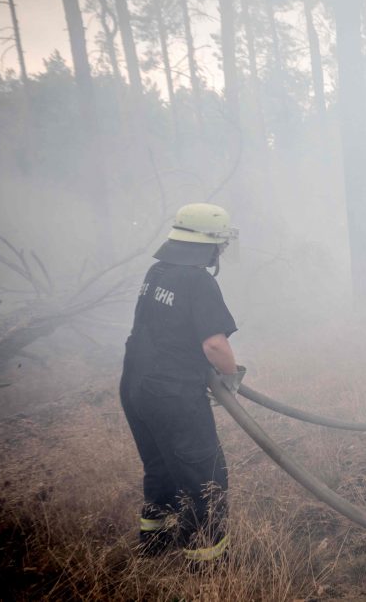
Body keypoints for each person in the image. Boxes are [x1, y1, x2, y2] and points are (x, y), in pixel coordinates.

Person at [119, 202, 244, 564]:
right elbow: (214, 343)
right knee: (206, 478)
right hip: (172, 395)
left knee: (161, 467)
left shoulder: (157, 272)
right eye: (219, 243)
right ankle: (206, 563)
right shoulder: (198, 281)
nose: (221, 250)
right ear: (208, 243)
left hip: (135, 387)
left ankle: (155, 545)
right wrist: (230, 377)